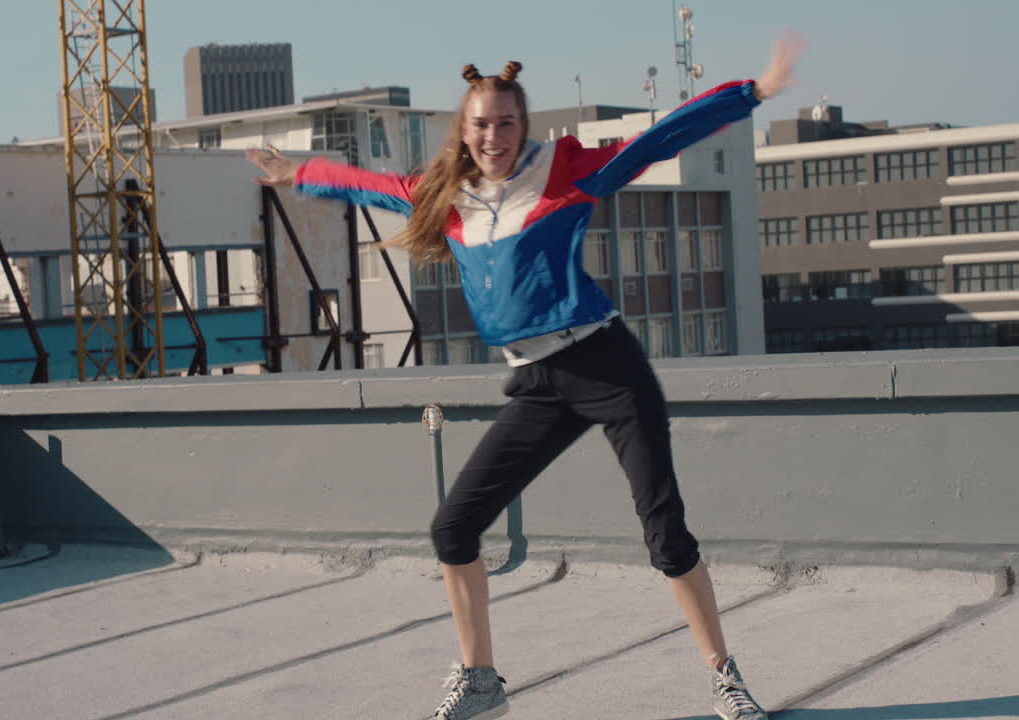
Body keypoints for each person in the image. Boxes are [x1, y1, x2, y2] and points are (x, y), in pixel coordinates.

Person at [246, 31, 804, 720]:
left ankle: (724, 676)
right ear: (465, 129)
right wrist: (297, 174)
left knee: (665, 534)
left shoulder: (562, 174)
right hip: (537, 384)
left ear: (523, 124)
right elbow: (370, 186)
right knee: (453, 530)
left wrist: (750, 93)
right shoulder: (443, 195)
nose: (494, 137)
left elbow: (655, 142)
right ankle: (481, 680)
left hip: (607, 367)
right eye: (482, 124)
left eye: (506, 123)